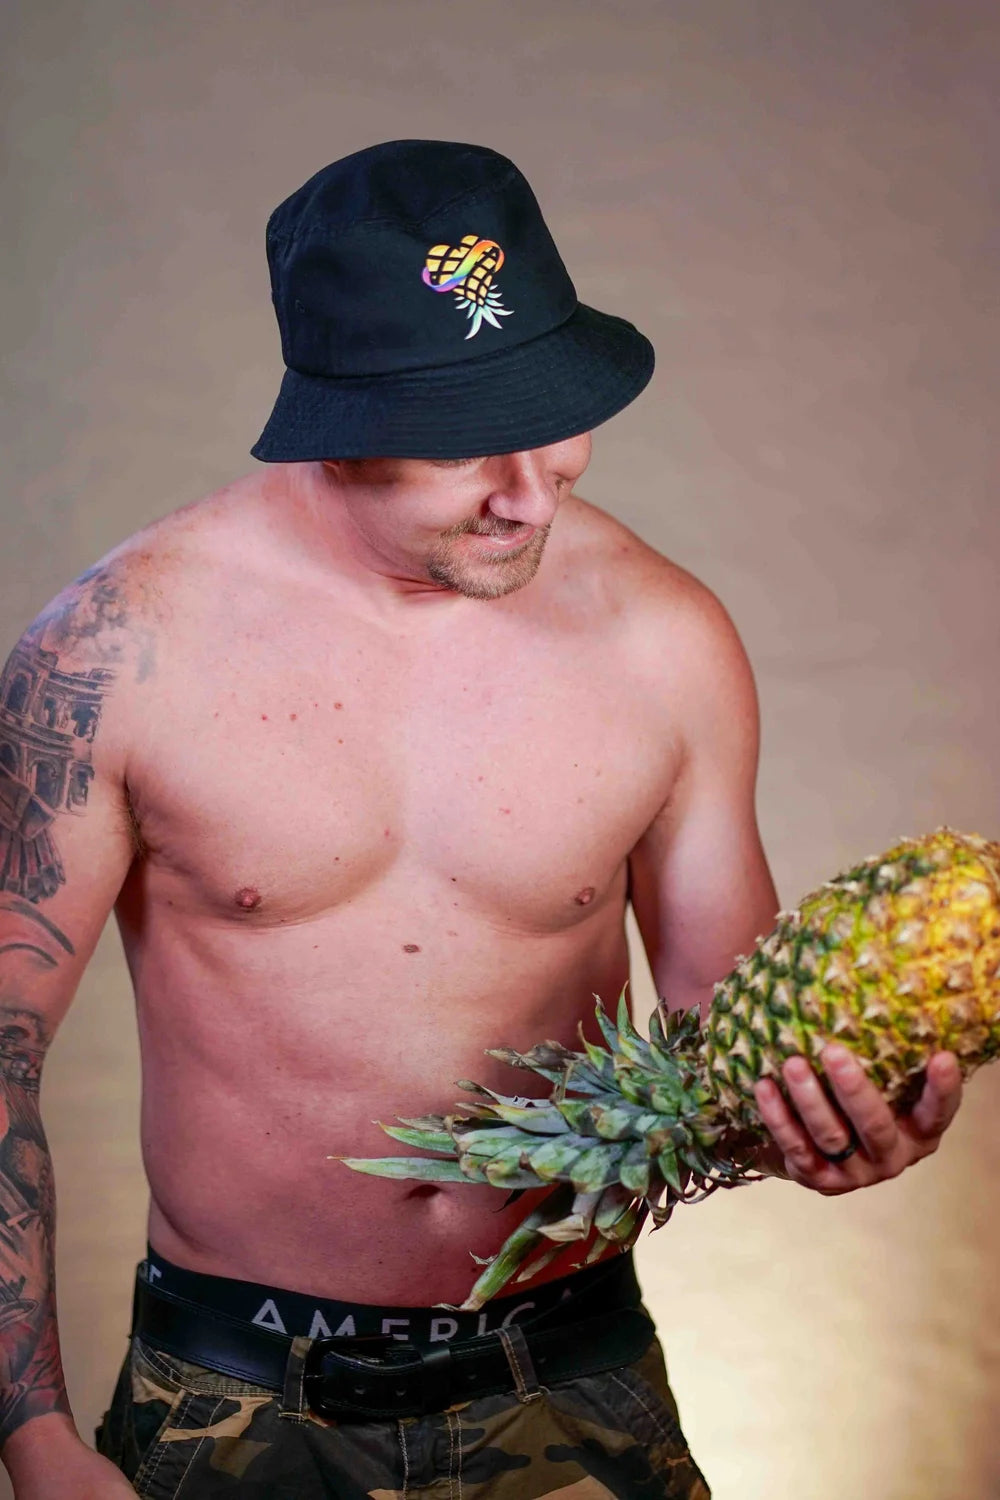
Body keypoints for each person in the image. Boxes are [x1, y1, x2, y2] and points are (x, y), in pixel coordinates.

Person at [0, 140, 962, 1499]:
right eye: (467, 439)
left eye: (554, 412)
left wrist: (827, 1128)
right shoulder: (118, 652)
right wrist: (29, 1432)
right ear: (333, 424)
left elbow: (722, 1061)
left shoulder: (666, 643)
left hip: (571, 1376)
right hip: (235, 1398)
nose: (536, 484)